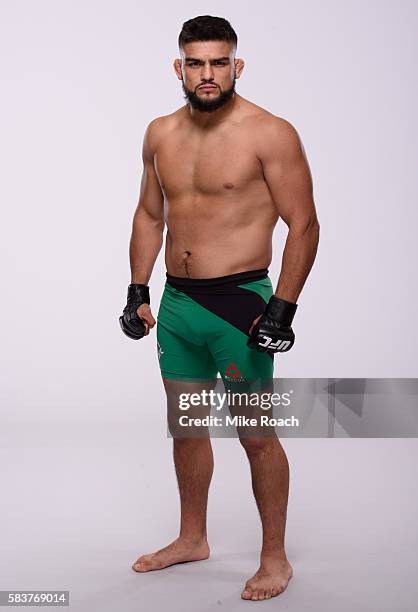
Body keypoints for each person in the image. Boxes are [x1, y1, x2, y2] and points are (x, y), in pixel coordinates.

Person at [119, 14, 320, 602]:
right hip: (179, 307)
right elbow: (150, 214)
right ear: (179, 67)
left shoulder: (270, 133)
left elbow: (303, 224)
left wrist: (282, 308)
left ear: (237, 65)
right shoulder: (159, 133)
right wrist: (137, 290)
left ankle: (275, 558)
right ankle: (191, 538)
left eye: (219, 62)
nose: (208, 74)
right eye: (197, 63)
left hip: (241, 307)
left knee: (255, 434)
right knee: (186, 428)